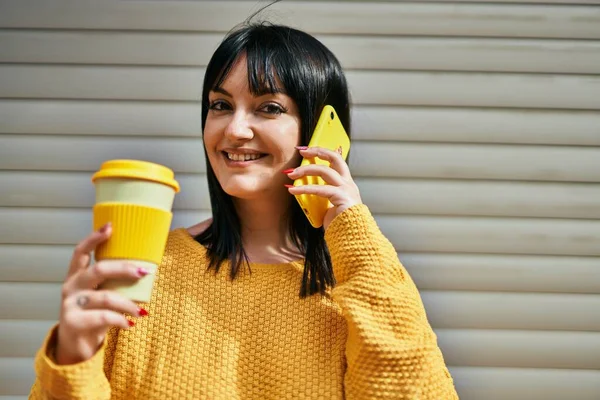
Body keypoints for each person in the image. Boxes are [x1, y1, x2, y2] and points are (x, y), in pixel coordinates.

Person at [29, 21, 458, 400]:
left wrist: (352, 229)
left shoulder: (365, 282)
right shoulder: (143, 269)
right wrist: (72, 355)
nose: (234, 130)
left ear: (323, 132)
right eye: (220, 105)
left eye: (269, 107)